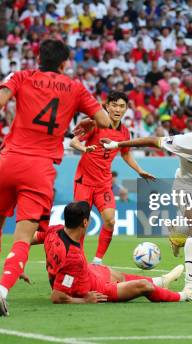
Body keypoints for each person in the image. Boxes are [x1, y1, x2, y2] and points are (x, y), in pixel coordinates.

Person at [0, 39, 111, 316]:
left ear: (38, 58)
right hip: (40, 168)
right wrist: (90, 120)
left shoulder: (22, 76)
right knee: (24, 234)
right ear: (64, 62)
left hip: (11, 159)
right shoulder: (76, 88)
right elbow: (104, 120)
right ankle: (2, 290)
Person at [102, 123, 192, 302]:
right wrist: (117, 144)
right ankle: (190, 286)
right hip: (187, 187)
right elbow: (152, 141)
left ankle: (179, 235)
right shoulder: (183, 141)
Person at [41, 201, 188, 304]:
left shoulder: (54, 230)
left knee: (118, 275)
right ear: (85, 222)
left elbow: (32, 237)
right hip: (96, 289)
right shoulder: (72, 257)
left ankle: (162, 281)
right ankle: (184, 296)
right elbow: (57, 296)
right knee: (144, 286)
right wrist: (84, 300)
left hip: (87, 273)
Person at [70, 91, 155, 264]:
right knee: (80, 225)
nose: (117, 109)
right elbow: (74, 141)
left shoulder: (125, 133)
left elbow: (125, 154)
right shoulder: (95, 124)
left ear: (126, 109)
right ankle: (78, 259)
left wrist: (139, 170)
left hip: (104, 184)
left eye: (121, 106)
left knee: (110, 221)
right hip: (84, 182)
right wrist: (83, 149)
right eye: (114, 105)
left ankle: (97, 261)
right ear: (107, 106)